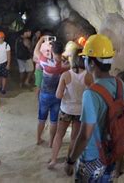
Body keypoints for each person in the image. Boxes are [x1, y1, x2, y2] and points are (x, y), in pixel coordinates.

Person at [64, 34, 124, 182]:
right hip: (112, 153)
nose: (84, 61)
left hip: (93, 156)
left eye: (86, 58)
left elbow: (85, 135)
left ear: (92, 63)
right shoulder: (120, 85)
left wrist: (70, 161)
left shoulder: (91, 94)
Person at [48, 41, 93, 169]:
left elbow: (58, 95)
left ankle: (53, 160)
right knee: (74, 137)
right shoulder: (89, 76)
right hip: (80, 111)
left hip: (66, 109)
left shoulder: (66, 75)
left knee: (59, 135)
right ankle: (69, 160)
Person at [34, 37, 70, 146]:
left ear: (52, 51)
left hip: (44, 94)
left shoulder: (45, 62)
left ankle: (38, 139)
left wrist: (41, 39)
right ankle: (51, 142)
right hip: (56, 96)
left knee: (41, 118)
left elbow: (36, 51)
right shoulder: (63, 66)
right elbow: (71, 65)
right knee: (54, 120)